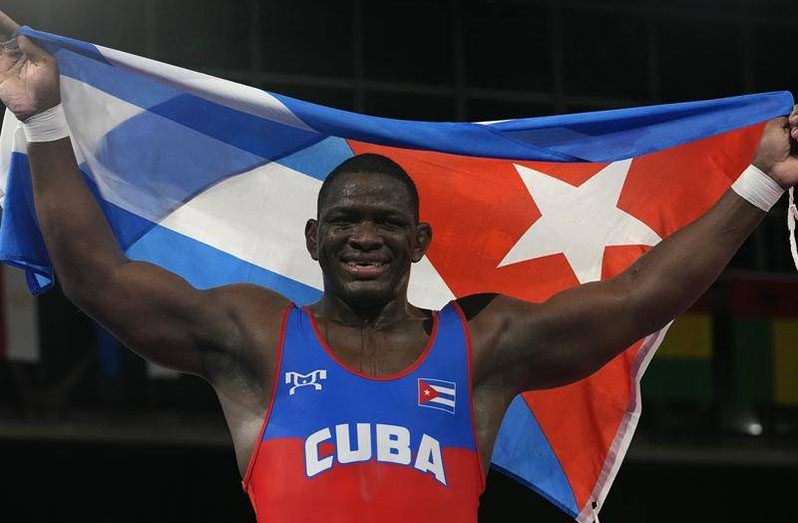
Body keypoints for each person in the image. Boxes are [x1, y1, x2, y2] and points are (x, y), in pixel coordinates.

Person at [1, 9, 796, 523]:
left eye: (387, 222)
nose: (365, 237)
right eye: (345, 220)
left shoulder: (484, 347)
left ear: (419, 243)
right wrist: (42, 116)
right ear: (312, 239)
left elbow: (638, 297)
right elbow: (95, 275)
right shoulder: (255, 338)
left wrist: (762, 180)